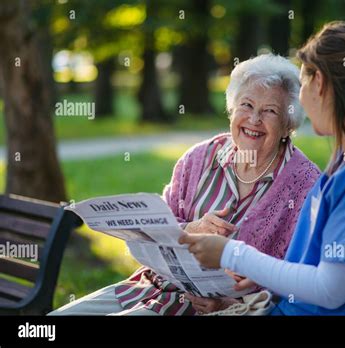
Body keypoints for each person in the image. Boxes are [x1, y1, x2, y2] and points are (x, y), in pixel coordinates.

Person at [179, 21, 345, 315]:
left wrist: (231, 253)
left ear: (318, 82)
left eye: (303, 84)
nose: (301, 100)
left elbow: (330, 291)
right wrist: (262, 274)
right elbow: (319, 269)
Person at [49, 54, 320, 316]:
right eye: (246, 105)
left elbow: (300, 280)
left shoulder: (305, 184)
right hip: (149, 289)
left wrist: (232, 305)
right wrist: (190, 229)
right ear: (231, 109)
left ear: (288, 125)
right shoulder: (198, 159)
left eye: (270, 111)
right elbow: (158, 229)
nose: (254, 119)